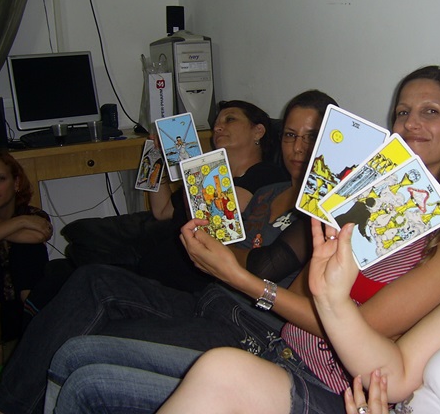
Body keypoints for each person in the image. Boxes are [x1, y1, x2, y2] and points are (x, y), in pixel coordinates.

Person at [48, 65, 440, 413]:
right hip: (280, 348)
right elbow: (305, 294)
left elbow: (362, 328)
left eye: (430, 111)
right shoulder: (369, 197)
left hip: (332, 389)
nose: (411, 122)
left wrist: (239, 278)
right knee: (75, 354)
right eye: (402, 111)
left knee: (89, 385)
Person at [163, 121, 440, 414]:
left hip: (319, 381)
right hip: (311, 362)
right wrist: (332, 298)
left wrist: (240, 279)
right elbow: (393, 376)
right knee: (219, 369)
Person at [0, 89, 337, 414]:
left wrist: (220, 251)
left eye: (311, 136)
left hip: (244, 325)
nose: (298, 147)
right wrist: (163, 164)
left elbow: (259, 265)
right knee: (92, 279)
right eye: (290, 135)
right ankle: (1, 406)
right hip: (210, 297)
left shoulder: (323, 208)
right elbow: (213, 233)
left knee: (87, 350)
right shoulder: (270, 192)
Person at [61, 100, 288, 291]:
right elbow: (161, 211)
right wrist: (157, 162)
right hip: (155, 269)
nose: (218, 127)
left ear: (258, 131)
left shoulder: (266, 174)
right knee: (63, 274)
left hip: (190, 280)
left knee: (90, 280)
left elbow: (213, 216)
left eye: (230, 119)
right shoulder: (208, 175)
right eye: (216, 123)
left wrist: (186, 164)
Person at [0, 151, 52, 387]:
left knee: (27, 250)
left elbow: (39, 235)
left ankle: (35, 335)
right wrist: (18, 224)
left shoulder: (34, 215)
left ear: (16, 183)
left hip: (22, 312)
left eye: (0, 179)